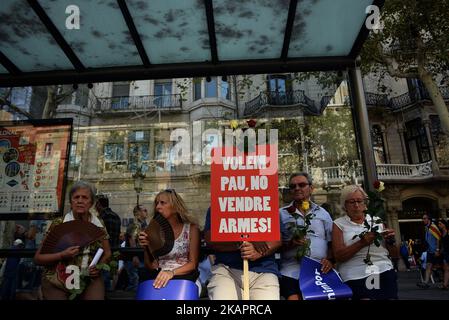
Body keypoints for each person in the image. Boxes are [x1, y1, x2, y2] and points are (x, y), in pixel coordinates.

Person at [34, 181, 112, 300]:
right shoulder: (58, 223)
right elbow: (38, 258)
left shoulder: (98, 224)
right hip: (58, 276)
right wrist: (62, 255)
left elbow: (107, 253)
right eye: (76, 197)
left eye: (85, 197)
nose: (80, 201)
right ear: (71, 202)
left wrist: (97, 267)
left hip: (88, 276)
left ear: (91, 203)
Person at [332, 184, 398, 300]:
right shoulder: (339, 224)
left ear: (365, 204)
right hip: (355, 273)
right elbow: (339, 256)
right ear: (345, 205)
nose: (356, 205)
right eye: (351, 202)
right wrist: (361, 242)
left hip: (382, 268)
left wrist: (390, 241)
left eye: (359, 201)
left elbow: (394, 254)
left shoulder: (375, 220)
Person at [204, 207, 281, 300]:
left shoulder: (267, 202)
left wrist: (258, 252)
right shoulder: (218, 205)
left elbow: (278, 239)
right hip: (226, 271)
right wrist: (246, 238)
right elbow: (210, 239)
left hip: (264, 272)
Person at [279, 172, 334, 300]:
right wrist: (291, 243)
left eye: (302, 185)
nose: (297, 188)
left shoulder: (323, 214)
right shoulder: (281, 214)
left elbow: (332, 242)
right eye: (293, 186)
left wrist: (330, 260)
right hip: (291, 270)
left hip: (319, 270)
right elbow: (275, 245)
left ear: (311, 188)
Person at [138, 189, 200, 289]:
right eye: (157, 203)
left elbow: (193, 264)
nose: (158, 207)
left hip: (185, 279)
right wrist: (146, 248)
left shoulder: (191, 229)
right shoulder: (153, 231)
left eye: (163, 203)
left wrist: (171, 273)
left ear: (175, 207)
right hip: (159, 278)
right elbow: (151, 266)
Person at [95, 194, 121, 291]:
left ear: (98, 205)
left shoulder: (102, 217)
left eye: (95, 204)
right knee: (110, 276)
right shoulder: (116, 216)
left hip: (103, 252)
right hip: (115, 251)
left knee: (103, 277)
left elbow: (103, 237)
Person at [124, 204, 149, 291]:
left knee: (140, 282)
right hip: (133, 258)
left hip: (141, 257)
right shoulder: (134, 224)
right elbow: (132, 240)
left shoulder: (144, 224)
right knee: (134, 282)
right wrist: (134, 256)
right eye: (144, 210)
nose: (147, 212)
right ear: (138, 213)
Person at [417, 213, 441, 288]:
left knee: (443, 267)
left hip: (435, 251)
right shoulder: (427, 228)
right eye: (423, 218)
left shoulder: (433, 227)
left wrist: (437, 250)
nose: (423, 220)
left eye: (425, 218)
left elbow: (438, 238)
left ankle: (444, 282)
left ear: (429, 219)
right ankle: (425, 283)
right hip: (430, 251)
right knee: (428, 266)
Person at [437, 219, 449, 290]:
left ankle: (445, 284)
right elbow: (442, 244)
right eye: (438, 224)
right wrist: (439, 250)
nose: (439, 225)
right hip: (445, 253)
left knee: (446, 268)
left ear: (444, 225)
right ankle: (445, 284)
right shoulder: (441, 233)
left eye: (440, 224)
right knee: (446, 269)